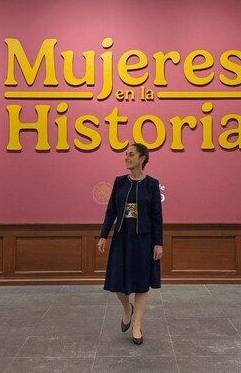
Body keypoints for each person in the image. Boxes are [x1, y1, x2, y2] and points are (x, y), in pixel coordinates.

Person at [97, 143, 163, 345]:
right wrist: (102, 235)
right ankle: (127, 309)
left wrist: (158, 243)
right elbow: (111, 211)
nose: (126, 158)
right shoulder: (119, 182)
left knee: (142, 284)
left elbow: (157, 217)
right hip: (121, 238)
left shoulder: (152, 184)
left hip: (144, 240)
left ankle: (137, 325)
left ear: (142, 158)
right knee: (116, 281)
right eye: (126, 154)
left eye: (131, 155)